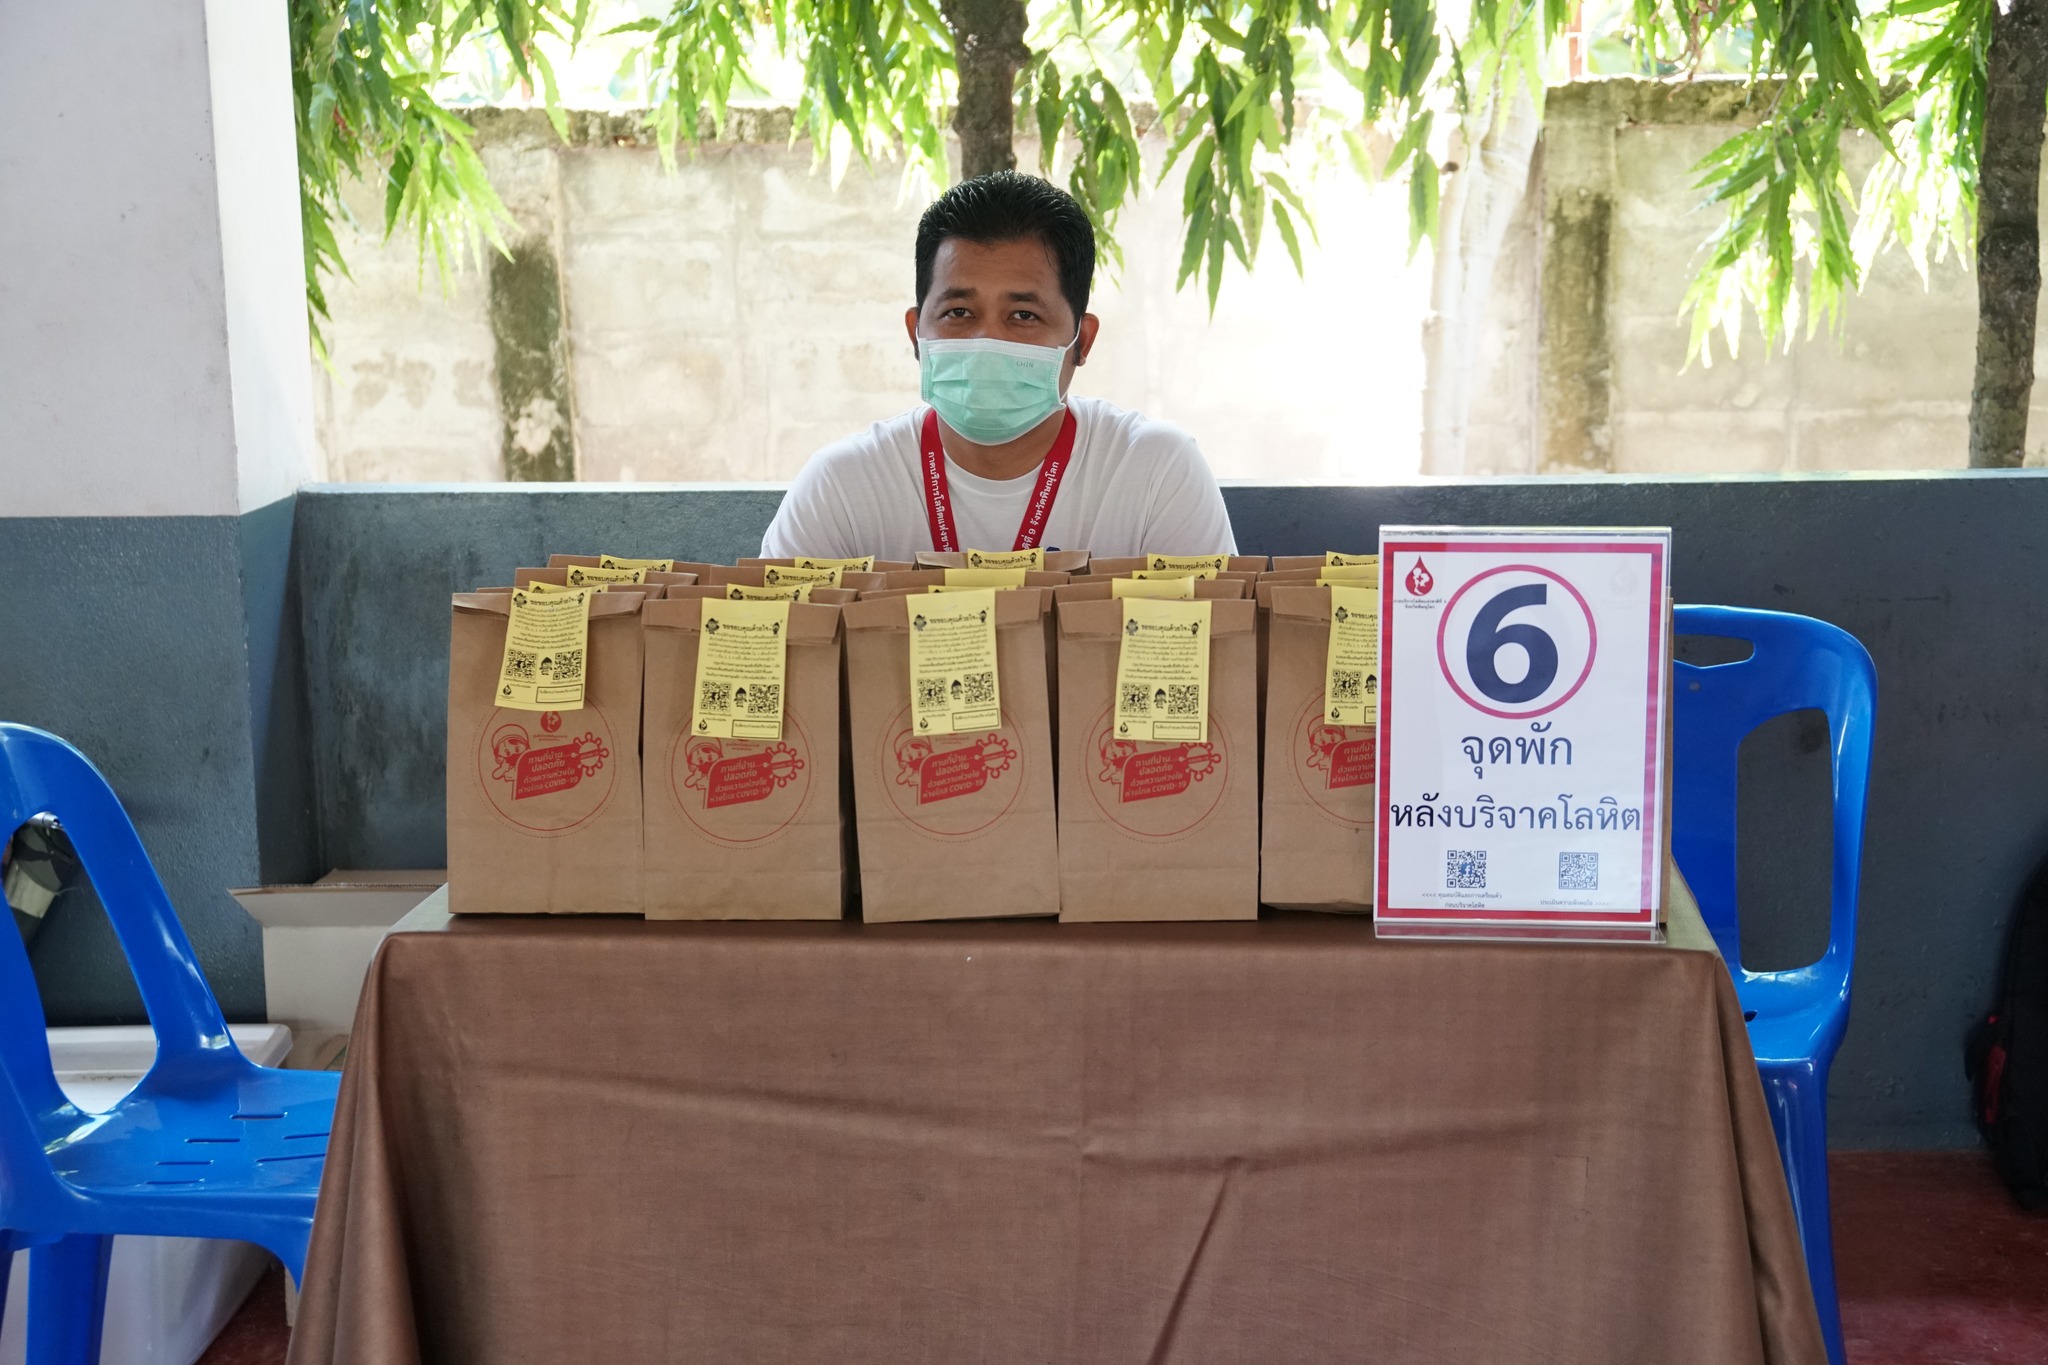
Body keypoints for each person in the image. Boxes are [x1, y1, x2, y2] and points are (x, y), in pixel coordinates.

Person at [759, 172, 1237, 561]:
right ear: (915, 335)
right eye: (958, 313)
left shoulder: (1156, 473)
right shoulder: (843, 486)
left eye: (1023, 316)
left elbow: (1212, 663)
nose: (987, 339)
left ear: (1082, 341)